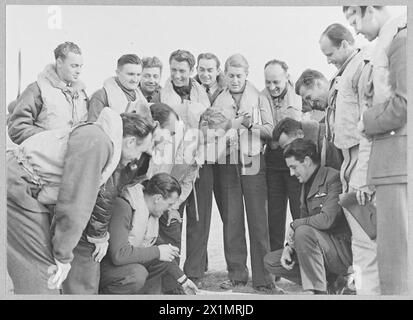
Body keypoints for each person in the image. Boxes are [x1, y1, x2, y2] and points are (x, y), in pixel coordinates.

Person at [7, 108, 156, 294]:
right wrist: (63, 255)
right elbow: (76, 203)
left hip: (22, 186)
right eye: (141, 151)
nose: (138, 159)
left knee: (44, 273)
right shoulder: (98, 143)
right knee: (42, 276)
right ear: (131, 141)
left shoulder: (101, 137)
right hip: (16, 186)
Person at [343, 5, 408, 295]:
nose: (354, 29)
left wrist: (366, 121)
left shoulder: (401, 40)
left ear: (368, 8)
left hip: (397, 166)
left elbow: (404, 106)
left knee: (398, 264)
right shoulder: (388, 42)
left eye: (353, 19)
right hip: (387, 166)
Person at [319, 23, 378, 295]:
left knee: (367, 235)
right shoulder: (345, 71)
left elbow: (367, 121)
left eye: (329, 53)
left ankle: (370, 289)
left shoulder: (363, 65)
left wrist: (364, 171)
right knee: (360, 234)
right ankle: (363, 286)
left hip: (359, 156)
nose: (327, 59)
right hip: (347, 159)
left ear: (344, 44)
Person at [212, 54, 276, 292]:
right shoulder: (219, 99)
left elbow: (270, 130)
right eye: (231, 75)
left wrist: (251, 125)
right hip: (227, 160)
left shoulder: (259, 97)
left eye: (239, 76)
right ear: (225, 75)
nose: (235, 80)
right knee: (232, 219)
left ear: (247, 75)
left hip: (252, 159)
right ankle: (237, 275)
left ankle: (264, 278)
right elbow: (212, 131)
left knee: (258, 219)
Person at [264, 139, 352, 294]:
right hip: (318, 246)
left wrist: (295, 225)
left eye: (293, 167)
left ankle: (316, 291)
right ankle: (331, 282)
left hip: (340, 250)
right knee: (272, 261)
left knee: (303, 231)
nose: (291, 173)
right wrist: (289, 248)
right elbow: (304, 220)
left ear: (306, 161)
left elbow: (327, 220)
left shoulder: (333, 178)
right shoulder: (306, 184)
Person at [99, 173, 198, 295]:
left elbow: (160, 247)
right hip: (102, 267)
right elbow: (119, 254)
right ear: (157, 198)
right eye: (170, 204)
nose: (169, 209)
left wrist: (183, 280)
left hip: (119, 266)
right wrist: (157, 252)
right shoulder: (124, 206)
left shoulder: (149, 211)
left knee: (160, 260)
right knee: (137, 274)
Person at [184, 53, 226, 286]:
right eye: (201, 69)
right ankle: (195, 269)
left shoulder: (227, 88)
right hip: (201, 157)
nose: (206, 74)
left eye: (210, 69)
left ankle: (235, 268)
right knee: (199, 216)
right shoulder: (192, 89)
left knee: (228, 215)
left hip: (226, 159)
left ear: (218, 69)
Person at [7, 42, 88, 145]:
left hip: (75, 156)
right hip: (43, 157)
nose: (79, 71)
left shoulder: (81, 93)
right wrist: (51, 138)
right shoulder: (37, 90)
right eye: (74, 66)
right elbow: (17, 128)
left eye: (80, 66)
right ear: (59, 63)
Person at [261, 59, 302, 253]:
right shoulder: (261, 96)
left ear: (287, 77)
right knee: (274, 217)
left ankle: (304, 263)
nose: (272, 87)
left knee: (300, 213)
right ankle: (276, 265)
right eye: (268, 82)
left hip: (296, 163)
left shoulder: (299, 95)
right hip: (273, 164)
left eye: (276, 82)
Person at [295, 69, 344, 172]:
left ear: (319, 83)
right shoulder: (329, 110)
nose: (311, 104)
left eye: (309, 97)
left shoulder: (343, 100)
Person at [88, 54, 150, 122]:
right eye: (130, 74)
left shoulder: (141, 96)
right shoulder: (101, 95)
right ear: (118, 73)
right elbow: (93, 128)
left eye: (138, 74)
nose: (135, 79)